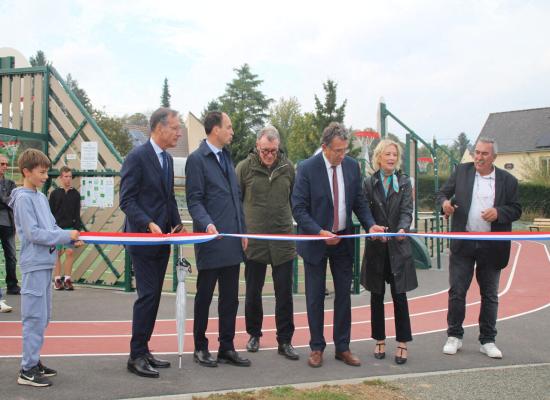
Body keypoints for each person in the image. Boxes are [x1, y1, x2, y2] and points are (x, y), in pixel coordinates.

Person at [292, 122, 384, 368]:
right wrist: (318, 231)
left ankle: (342, 347)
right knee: (315, 297)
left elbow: (359, 203)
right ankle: (316, 347)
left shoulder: (352, 167)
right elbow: (299, 209)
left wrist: (371, 225)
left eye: (345, 150)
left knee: (343, 295)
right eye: (338, 151)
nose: (343, 155)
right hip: (316, 242)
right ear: (324, 148)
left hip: (343, 241)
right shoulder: (307, 168)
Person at [437, 137, 521, 359]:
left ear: (494, 157)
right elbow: (443, 193)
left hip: (492, 247)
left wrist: (499, 213)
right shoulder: (462, 172)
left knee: (490, 295)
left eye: (484, 154)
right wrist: (445, 204)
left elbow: (516, 209)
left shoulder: (508, 181)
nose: (479, 157)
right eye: (477, 152)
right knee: (457, 291)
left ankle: (488, 340)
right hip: (463, 243)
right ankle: (454, 336)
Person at [9, 149, 81, 387]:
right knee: (33, 317)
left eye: (46, 172)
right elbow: (34, 233)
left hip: (46, 264)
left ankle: (34, 360)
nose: (45, 176)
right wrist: (65, 235)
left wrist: (70, 240)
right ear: (26, 172)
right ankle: (27, 369)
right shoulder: (22, 199)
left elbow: (50, 227)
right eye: (41, 172)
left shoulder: (40, 197)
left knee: (43, 316)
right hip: (33, 265)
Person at [120, 107, 183, 378]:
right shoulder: (136, 157)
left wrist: (176, 224)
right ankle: (135, 356)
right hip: (143, 241)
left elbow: (168, 198)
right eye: (175, 128)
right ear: (159, 127)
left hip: (163, 241)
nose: (179, 133)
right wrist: (148, 223)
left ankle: (144, 350)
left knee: (154, 297)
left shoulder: (167, 160)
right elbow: (127, 200)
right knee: (147, 296)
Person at [186, 111, 250, 368]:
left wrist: (242, 230)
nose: (232, 131)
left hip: (232, 241)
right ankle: (200, 347)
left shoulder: (226, 157)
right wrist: (207, 224)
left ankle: (227, 347)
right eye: (229, 126)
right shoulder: (197, 160)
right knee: (205, 296)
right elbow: (194, 200)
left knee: (230, 298)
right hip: (211, 241)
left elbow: (236, 197)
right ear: (214, 129)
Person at [235, 126, 299, 360]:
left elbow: (296, 200)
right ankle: (254, 334)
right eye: (265, 151)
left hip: (283, 240)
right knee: (253, 292)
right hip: (254, 241)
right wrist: (241, 232)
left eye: (273, 150)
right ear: (257, 146)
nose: (269, 155)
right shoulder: (244, 168)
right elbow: (236, 201)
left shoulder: (288, 168)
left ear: (278, 147)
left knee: (285, 294)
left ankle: (285, 340)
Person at [360, 139, 417, 365]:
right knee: (376, 297)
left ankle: (402, 343)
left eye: (394, 154)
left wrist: (403, 228)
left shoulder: (404, 182)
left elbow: (406, 211)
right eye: (387, 154)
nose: (391, 158)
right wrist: (372, 228)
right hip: (376, 250)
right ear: (379, 157)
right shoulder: (368, 183)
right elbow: (364, 211)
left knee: (399, 297)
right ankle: (379, 340)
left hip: (398, 249)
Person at [49, 166, 82, 291]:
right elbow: (50, 213)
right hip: (56, 229)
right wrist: (51, 229)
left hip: (70, 229)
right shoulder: (54, 194)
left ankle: (67, 279)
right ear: (61, 177)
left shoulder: (76, 194)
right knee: (57, 253)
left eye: (70, 176)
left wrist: (77, 231)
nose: (68, 179)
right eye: (66, 176)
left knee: (69, 252)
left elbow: (77, 214)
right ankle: (57, 280)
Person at [0, 154, 19, 295]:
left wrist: (5, 201)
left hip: (8, 224)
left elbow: (12, 201)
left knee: (11, 256)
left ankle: (12, 285)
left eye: (6, 164)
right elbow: (7, 201)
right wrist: (6, 201)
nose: (5, 167)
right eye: (2, 164)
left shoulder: (10, 183)